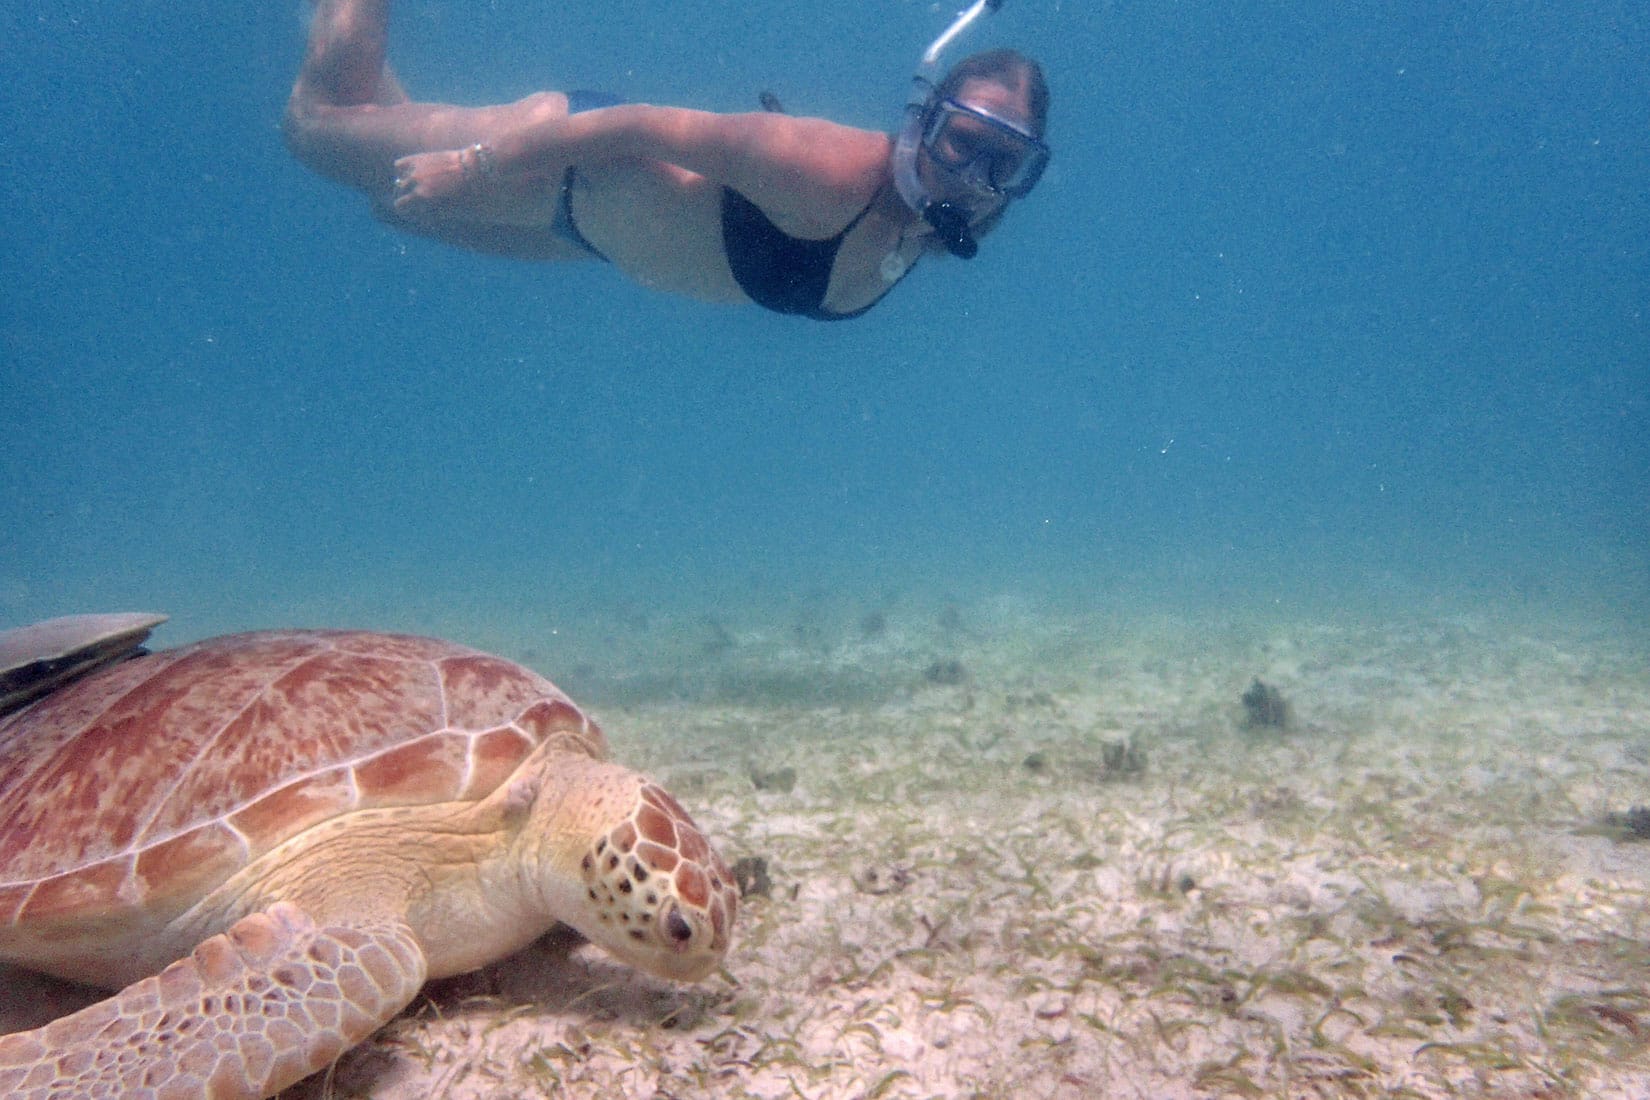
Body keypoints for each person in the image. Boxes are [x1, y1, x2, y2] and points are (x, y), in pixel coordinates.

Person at [284, 0, 1050, 321]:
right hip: (558, 166)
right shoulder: (827, 169)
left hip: (577, 239)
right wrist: (477, 165)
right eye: (963, 142)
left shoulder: (929, 228)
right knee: (315, 130)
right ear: (924, 121)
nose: (974, 179)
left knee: (386, 201)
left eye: (1003, 162)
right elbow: (641, 126)